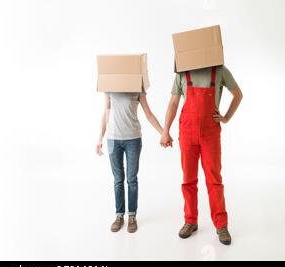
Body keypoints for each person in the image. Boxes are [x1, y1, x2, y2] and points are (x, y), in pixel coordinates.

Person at [160, 66, 243, 245]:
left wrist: (226, 117)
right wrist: (165, 131)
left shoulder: (219, 70)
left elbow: (238, 94)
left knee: (214, 179)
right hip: (187, 131)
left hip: (210, 133)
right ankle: (190, 221)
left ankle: (221, 225)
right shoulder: (183, 71)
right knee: (188, 179)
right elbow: (173, 103)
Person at [96, 90, 163, 233]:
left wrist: (163, 132)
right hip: (113, 140)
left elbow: (148, 114)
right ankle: (119, 216)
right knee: (118, 180)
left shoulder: (137, 85)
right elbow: (106, 113)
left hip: (133, 139)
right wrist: (99, 139)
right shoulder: (109, 86)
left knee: (131, 179)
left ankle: (132, 215)